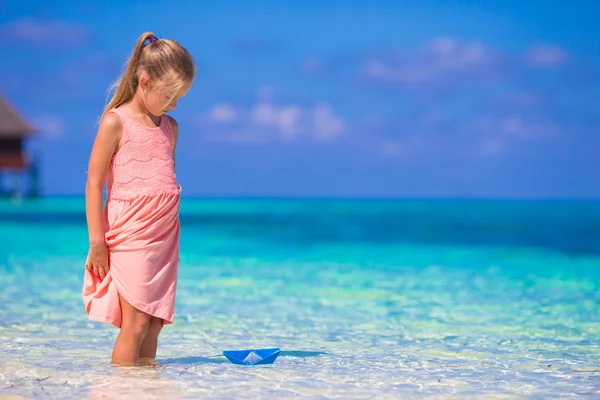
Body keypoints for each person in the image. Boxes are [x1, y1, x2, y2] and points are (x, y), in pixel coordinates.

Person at [82, 32, 195, 365]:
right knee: (136, 322)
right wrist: (97, 242)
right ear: (144, 81)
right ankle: (120, 390)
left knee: (156, 322)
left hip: (164, 238)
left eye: (179, 98)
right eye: (170, 96)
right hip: (130, 235)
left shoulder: (169, 128)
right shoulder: (115, 122)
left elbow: (164, 182)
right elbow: (93, 184)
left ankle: (145, 388)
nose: (174, 105)